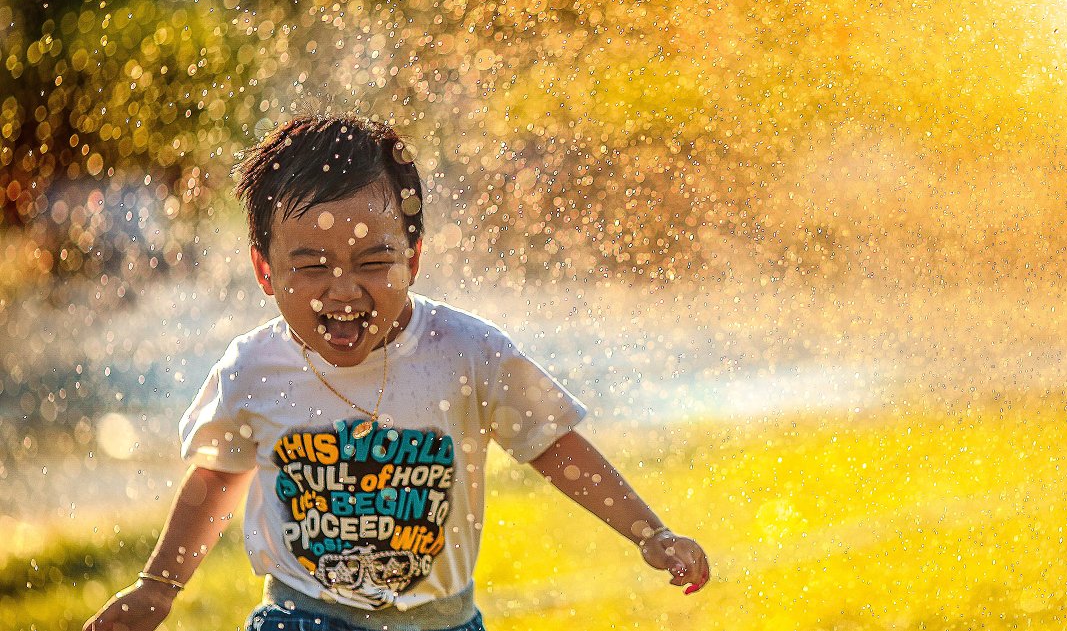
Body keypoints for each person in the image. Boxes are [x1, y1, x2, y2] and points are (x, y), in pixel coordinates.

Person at [84, 115, 710, 631]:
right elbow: (217, 479)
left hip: (442, 621)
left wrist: (649, 532)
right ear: (265, 270)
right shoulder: (254, 368)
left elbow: (554, 445)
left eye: (373, 260)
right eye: (311, 265)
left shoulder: (466, 352)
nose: (343, 289)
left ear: (413, 257)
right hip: (303, 618)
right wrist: (158, 586)